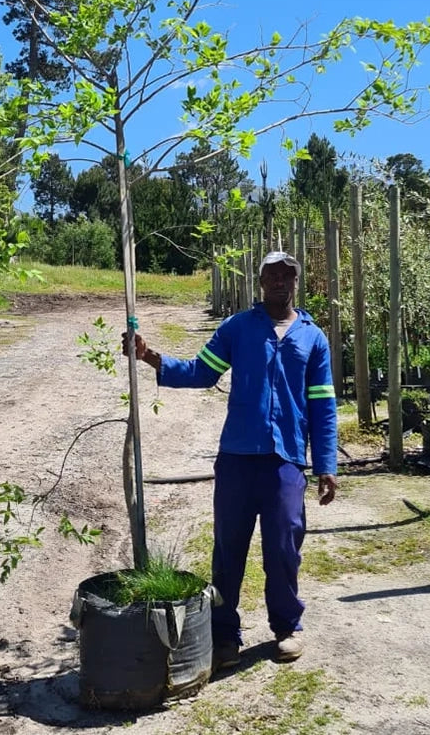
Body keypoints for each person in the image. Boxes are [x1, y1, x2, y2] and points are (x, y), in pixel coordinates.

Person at [122, 251, 338, 669]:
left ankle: (287, 626)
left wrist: (326, 464)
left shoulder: (313, 338)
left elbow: (323, 405)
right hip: (237, 457)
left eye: (287, 276)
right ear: (260, 283)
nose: (280, 282)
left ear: (296, 282)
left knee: (284, 546)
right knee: (228, 548)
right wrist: (150, 356)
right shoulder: (239, 328)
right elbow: (202, 372)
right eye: (272, 276)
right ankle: (224, 634)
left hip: (286, 460)